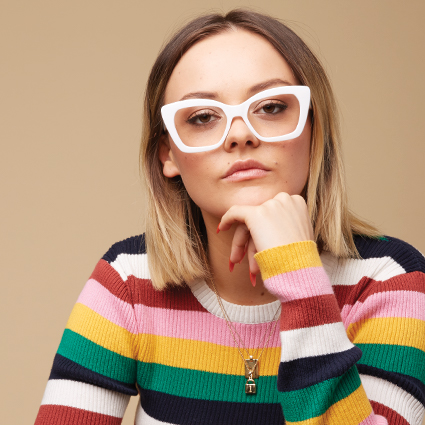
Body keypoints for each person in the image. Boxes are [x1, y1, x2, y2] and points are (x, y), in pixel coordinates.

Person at [34, 9, 425, 425]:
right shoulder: (129, 282)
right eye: (202, 117)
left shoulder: (390, 280)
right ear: (168, 154)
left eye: (272, 107)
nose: (241, 134)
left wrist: (299, 276)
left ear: (314, 129)